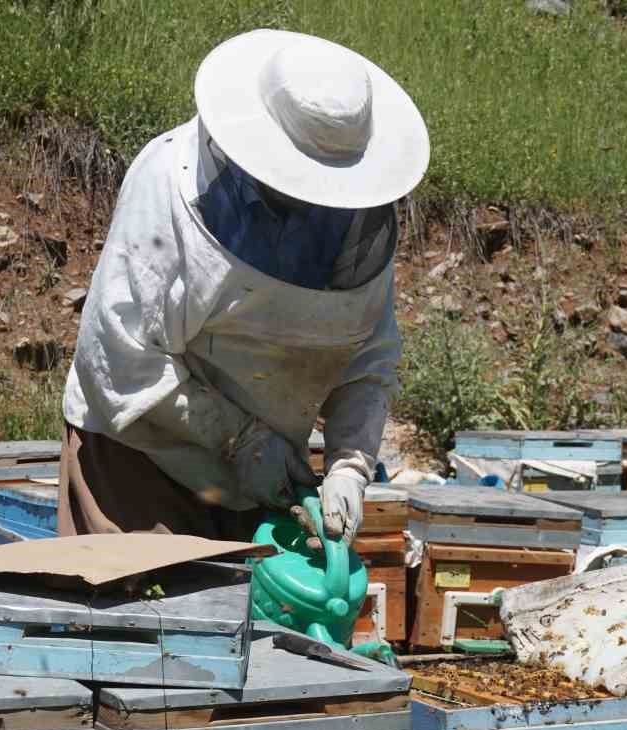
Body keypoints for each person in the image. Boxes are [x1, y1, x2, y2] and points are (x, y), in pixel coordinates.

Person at [59, 29, 429, 547]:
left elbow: (368, 360)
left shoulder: (357, 229)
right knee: (143, 622)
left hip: (259, 487)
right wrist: (239, 437)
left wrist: (349, 463)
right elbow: (121, 359)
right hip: (141, 462)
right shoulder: (165, 184)